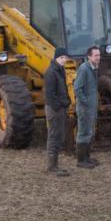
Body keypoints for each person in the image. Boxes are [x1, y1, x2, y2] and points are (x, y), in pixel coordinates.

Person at [43, 47, 71, 176]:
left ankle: (55, 165)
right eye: (62, 58)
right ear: (56, 58)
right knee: (53, 136)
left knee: (58, 136)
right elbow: (49, 94)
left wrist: (67, 101)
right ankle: (52, 167)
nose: (64, 60)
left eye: (65, 58)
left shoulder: (60, 70)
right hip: (54, 109)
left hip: (59, 108)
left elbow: (62, 88)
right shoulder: (51, 72)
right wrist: (60, 105)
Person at [73, 45, 101, 169]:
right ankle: (80, 160)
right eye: (95, 56)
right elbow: (77, 89)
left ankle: (87, 157)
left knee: (89, 132)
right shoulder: (84, 69)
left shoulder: (93, 69)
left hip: (90, 108)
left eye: (99, 55)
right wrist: (86, 103)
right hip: (85, 109)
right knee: (83, 132)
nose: (98, 58)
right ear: (89, 56)